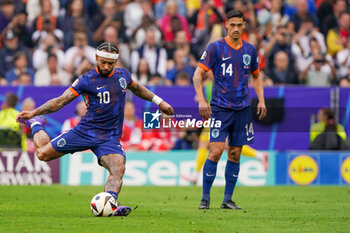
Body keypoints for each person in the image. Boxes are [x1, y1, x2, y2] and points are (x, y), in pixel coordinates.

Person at [16, 42, 174, 216]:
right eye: (103, 62)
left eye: (110, 63)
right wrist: (34, 113)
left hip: (109, 137)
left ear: (116, 62)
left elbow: (137, 88)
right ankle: (37, 124)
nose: (106, 66)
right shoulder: (86, 80)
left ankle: (111, 203)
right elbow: (60, 101)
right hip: (85, 131)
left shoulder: (123, 76)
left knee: (118, 167)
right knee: (42, 154)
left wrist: (159, 102)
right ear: (96, 58)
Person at [192, 10, 267, 210]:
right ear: (226, 24)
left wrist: (261, 100)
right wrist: (201, 100)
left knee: (235, 153)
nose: (235, 28)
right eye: (232, 24)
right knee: (215, 151)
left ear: (244, 26)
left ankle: (227, 199)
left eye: (239, 25)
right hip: (220, 108)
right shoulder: (216, 47)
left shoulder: (250, 50)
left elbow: (257, 76)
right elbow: (197, 74)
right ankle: (205, 198)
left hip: (242, 109)